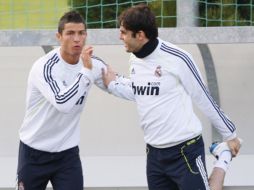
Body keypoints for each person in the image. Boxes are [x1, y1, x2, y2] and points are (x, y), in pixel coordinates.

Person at [98, 4, 242, 190]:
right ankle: (222, 155)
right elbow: (141, 91)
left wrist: (230, 134)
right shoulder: (134, 58)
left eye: (124, 32)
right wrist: (113, 84)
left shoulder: (178, 58)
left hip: (185, 151)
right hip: (154, 155)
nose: (120, 37)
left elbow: (203, 97)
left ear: (140, 35)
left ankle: (223, 158)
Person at [16, 10, 108, 190]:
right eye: (70, 33)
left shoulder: (91, 63)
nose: (77, 39)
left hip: (67, 154)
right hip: (34, 152)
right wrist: (86, 73)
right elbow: (63, 103)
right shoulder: (44, 67)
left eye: (81, 33)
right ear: (59, 36)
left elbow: (116, 83)